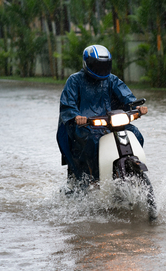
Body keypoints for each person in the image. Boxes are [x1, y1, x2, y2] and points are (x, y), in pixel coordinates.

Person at [56, 44, 147, 182]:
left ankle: (130, 166)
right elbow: (68, 104)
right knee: (93, 140)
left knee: (135, 133)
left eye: (104, 65)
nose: (101, 69)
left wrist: (136, 107)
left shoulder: (112, 79)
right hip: (85, 126)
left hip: (110, 122)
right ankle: (94, 177)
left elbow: (126, 96)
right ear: (87, 63)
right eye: (97, 65)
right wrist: (76, 116)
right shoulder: (75, 80)